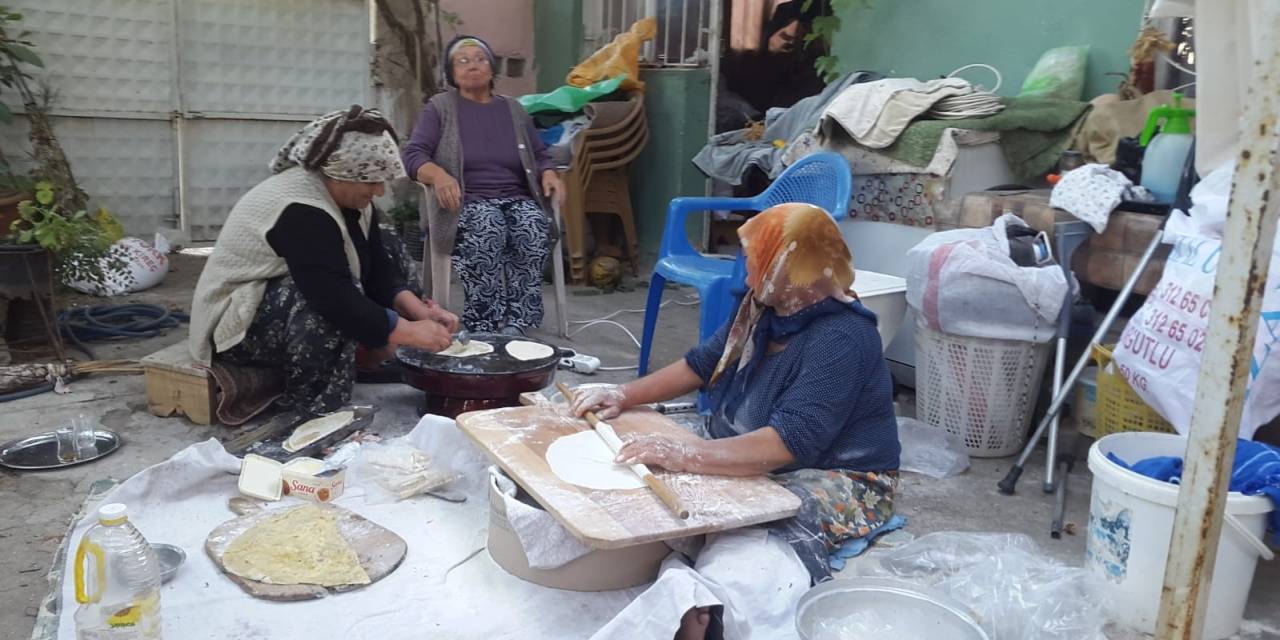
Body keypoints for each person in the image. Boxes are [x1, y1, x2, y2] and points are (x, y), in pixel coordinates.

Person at [573, 203, 901, 640]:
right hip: (763, 449)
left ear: (792, 267)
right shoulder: (761, 308)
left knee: (763, 534)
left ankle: (718, 608)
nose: (743, 263)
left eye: (755, 254)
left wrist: (688, 456)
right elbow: (701, 364)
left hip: (839, 472)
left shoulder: (842, 338)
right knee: (642, 474)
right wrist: (623, 395)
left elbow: (789, 444)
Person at [189, 106, 458, 416]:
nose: (379, 190)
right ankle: (313, 407)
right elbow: (332, 296)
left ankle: (366, 354)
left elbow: (379, 268)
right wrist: (407, 332)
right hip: (234, 324)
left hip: (285, 300)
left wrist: (418, 311)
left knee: (390, 244)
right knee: (317, 300)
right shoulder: (300, 208)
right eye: (371, 182)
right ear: (339, 174)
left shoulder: (350, 199)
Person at [402, 34, 565, 336]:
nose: (472, 66)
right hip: (466, 201)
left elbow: (540, 153)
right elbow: (413, 154)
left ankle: (520, 321)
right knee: (487, 226)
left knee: (531, 225)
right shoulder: (440, 108)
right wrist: (439, 175)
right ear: (452, 74)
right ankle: (485, 322)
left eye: (480, 59)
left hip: (516, 197)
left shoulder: (514, 110)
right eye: (462, 61)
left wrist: (549, 172)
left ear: (491, 69)